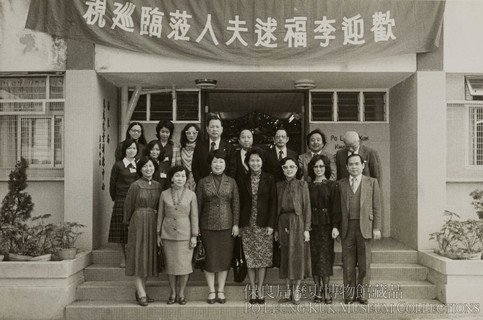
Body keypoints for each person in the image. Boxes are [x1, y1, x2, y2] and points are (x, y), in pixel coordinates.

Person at [332, 153, 382, 305]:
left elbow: (377, 206)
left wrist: (377, 228)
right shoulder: (340, 184)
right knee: (348, 262)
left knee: (364, 262)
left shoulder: (372, 182)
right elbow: (336, 209)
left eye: (356, 164)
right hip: (347, 228)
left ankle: (363, 294)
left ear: (363, 165)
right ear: (346, 167)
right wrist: (335, 226)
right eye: (351, 164)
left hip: (365, 227)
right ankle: (349, 295)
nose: (354, 167)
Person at [196, 149, 240, 304]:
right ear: (211, 163)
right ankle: (211, 291)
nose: (218, 164)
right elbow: (198, 206)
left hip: (227, 226)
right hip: (207, 226)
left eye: (221, 161)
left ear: (225, 164)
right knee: (210, 260)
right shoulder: (202, 182)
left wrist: (235, 224)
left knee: (224, 259)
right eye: (215, 161)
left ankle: (220, 290)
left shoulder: (232, 182)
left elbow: (236, 204)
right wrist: (197, 229)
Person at [238, 147, 276, 304]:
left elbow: (273, 203)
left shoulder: (269, 178)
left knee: (262, 259)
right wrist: (239, 225)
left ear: (262, 162)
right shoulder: (242, 179)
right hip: (248, 224)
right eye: (252, 160)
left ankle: (260, 289)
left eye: (258, 160)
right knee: (250, 258)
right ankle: (252, 290)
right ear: (248, 162)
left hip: (263, 224)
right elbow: (239, 203)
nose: (255, 163)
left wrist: (271, 224)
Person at [123, 156, 162, 306]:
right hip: (138, 222)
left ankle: (141, 290)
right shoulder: (135, 185)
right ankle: (141, 293)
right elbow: (128, 206)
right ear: (140, 169)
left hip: (153, 222)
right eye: (145, 166)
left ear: (154, 167)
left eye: (151, 166)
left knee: (147, 257)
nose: (148, 169)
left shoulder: (158, 185)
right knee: (139, 255)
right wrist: (128, 224)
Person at [157, 166, 199, 305]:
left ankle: (181, 293)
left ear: (186, 178)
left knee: (184, 266)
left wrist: (194, 235)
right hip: (167, 235)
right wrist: (158, 234)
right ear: (171, 178)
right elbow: (160, 215)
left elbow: (194, 216)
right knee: (170, 266)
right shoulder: (164, 194)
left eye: (182, 176)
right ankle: (172, 293)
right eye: (177, 176)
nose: (180, 178)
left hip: (185, 235)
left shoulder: (191, 194)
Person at [275, 157, 311, 305]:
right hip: (283, 222)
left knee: (297, 256)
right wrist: (277, 229)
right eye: (285, 167)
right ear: (282, 169)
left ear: (297, 169)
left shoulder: (302, 185)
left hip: (298, 222)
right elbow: (275, 209)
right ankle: (287, 291)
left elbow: (307, 207)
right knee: (285, 256)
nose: (288, 170)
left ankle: (296, 291)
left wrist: (307, 229)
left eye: (292, 167)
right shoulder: (278, 186)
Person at [307, 154, 338, 304]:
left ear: (326, 167)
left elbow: (336, 208)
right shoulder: (307, 185)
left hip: (326, 226)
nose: (318, 169)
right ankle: (317, 289)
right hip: (312, 225)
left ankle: (326, 289)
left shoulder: (332, 185)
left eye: (321, 166)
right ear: (312, 168)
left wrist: (335, 226)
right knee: (314, 257)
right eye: (316, 166)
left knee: (325, 258)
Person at [108, 139, 139, 268]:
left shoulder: (139, 164)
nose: (132, 151)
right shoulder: (118, 165)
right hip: (121, 199)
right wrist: (117, 198)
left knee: (134, 229)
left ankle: (132, 257)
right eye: (129, 148)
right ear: (124, 150)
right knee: (121, 230)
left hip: (136, 200)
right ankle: (123, 258)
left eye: (134, 148)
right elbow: (112, 184)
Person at [192, 115, 235, 183]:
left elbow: (232, 169)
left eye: (217, 127)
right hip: (203, 186)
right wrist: (201, 183)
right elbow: (195, 168)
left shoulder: (229, 147)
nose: (214, 129)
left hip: (224, 187)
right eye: (212, 127)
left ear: (222, 129)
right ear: (207, 129)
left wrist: (226, 184)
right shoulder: (199, 147)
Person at [155, 120, 180, 191]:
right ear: (158, 131)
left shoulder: (175, 146)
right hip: (155, 177)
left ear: (170, 133)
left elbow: (178, 165)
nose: (165, 134)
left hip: (169, 178)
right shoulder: (154, 145)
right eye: (162, 132)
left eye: (167, 132)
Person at [177, 123, 200, 191]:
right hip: (183, 179)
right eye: (188, 133)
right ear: (185, 134)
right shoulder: (180, 148)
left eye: (194, 133)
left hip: (197, 179)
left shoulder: (201, 147)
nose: (191, 135)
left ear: (198, 134)